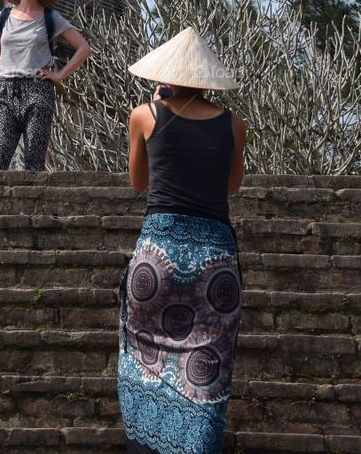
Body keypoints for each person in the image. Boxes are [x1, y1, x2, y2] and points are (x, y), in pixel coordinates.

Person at [117, 27, 247, 454]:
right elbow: (231, 187)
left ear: (167, 74)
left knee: (145, 365)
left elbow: (139, 183)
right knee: (206, 373)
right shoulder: (233, 124)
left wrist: (157, 108)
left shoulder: (144, 115)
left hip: (158, 257)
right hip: (214, 263)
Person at [0, 0, 91, 170]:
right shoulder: (2, 17)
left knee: (34, 158)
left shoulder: (51, 18)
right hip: (4, 90)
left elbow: (84, 48)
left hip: (38, 90)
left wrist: (58, 76)